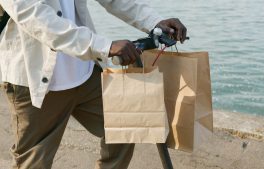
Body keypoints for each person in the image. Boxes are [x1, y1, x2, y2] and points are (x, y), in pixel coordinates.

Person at [0, 0, 187, 168]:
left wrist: (154, 21)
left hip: (85, 71)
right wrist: (103, 46)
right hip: (36, 80)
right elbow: (34, 16)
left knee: (125, 124)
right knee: (33, 162)